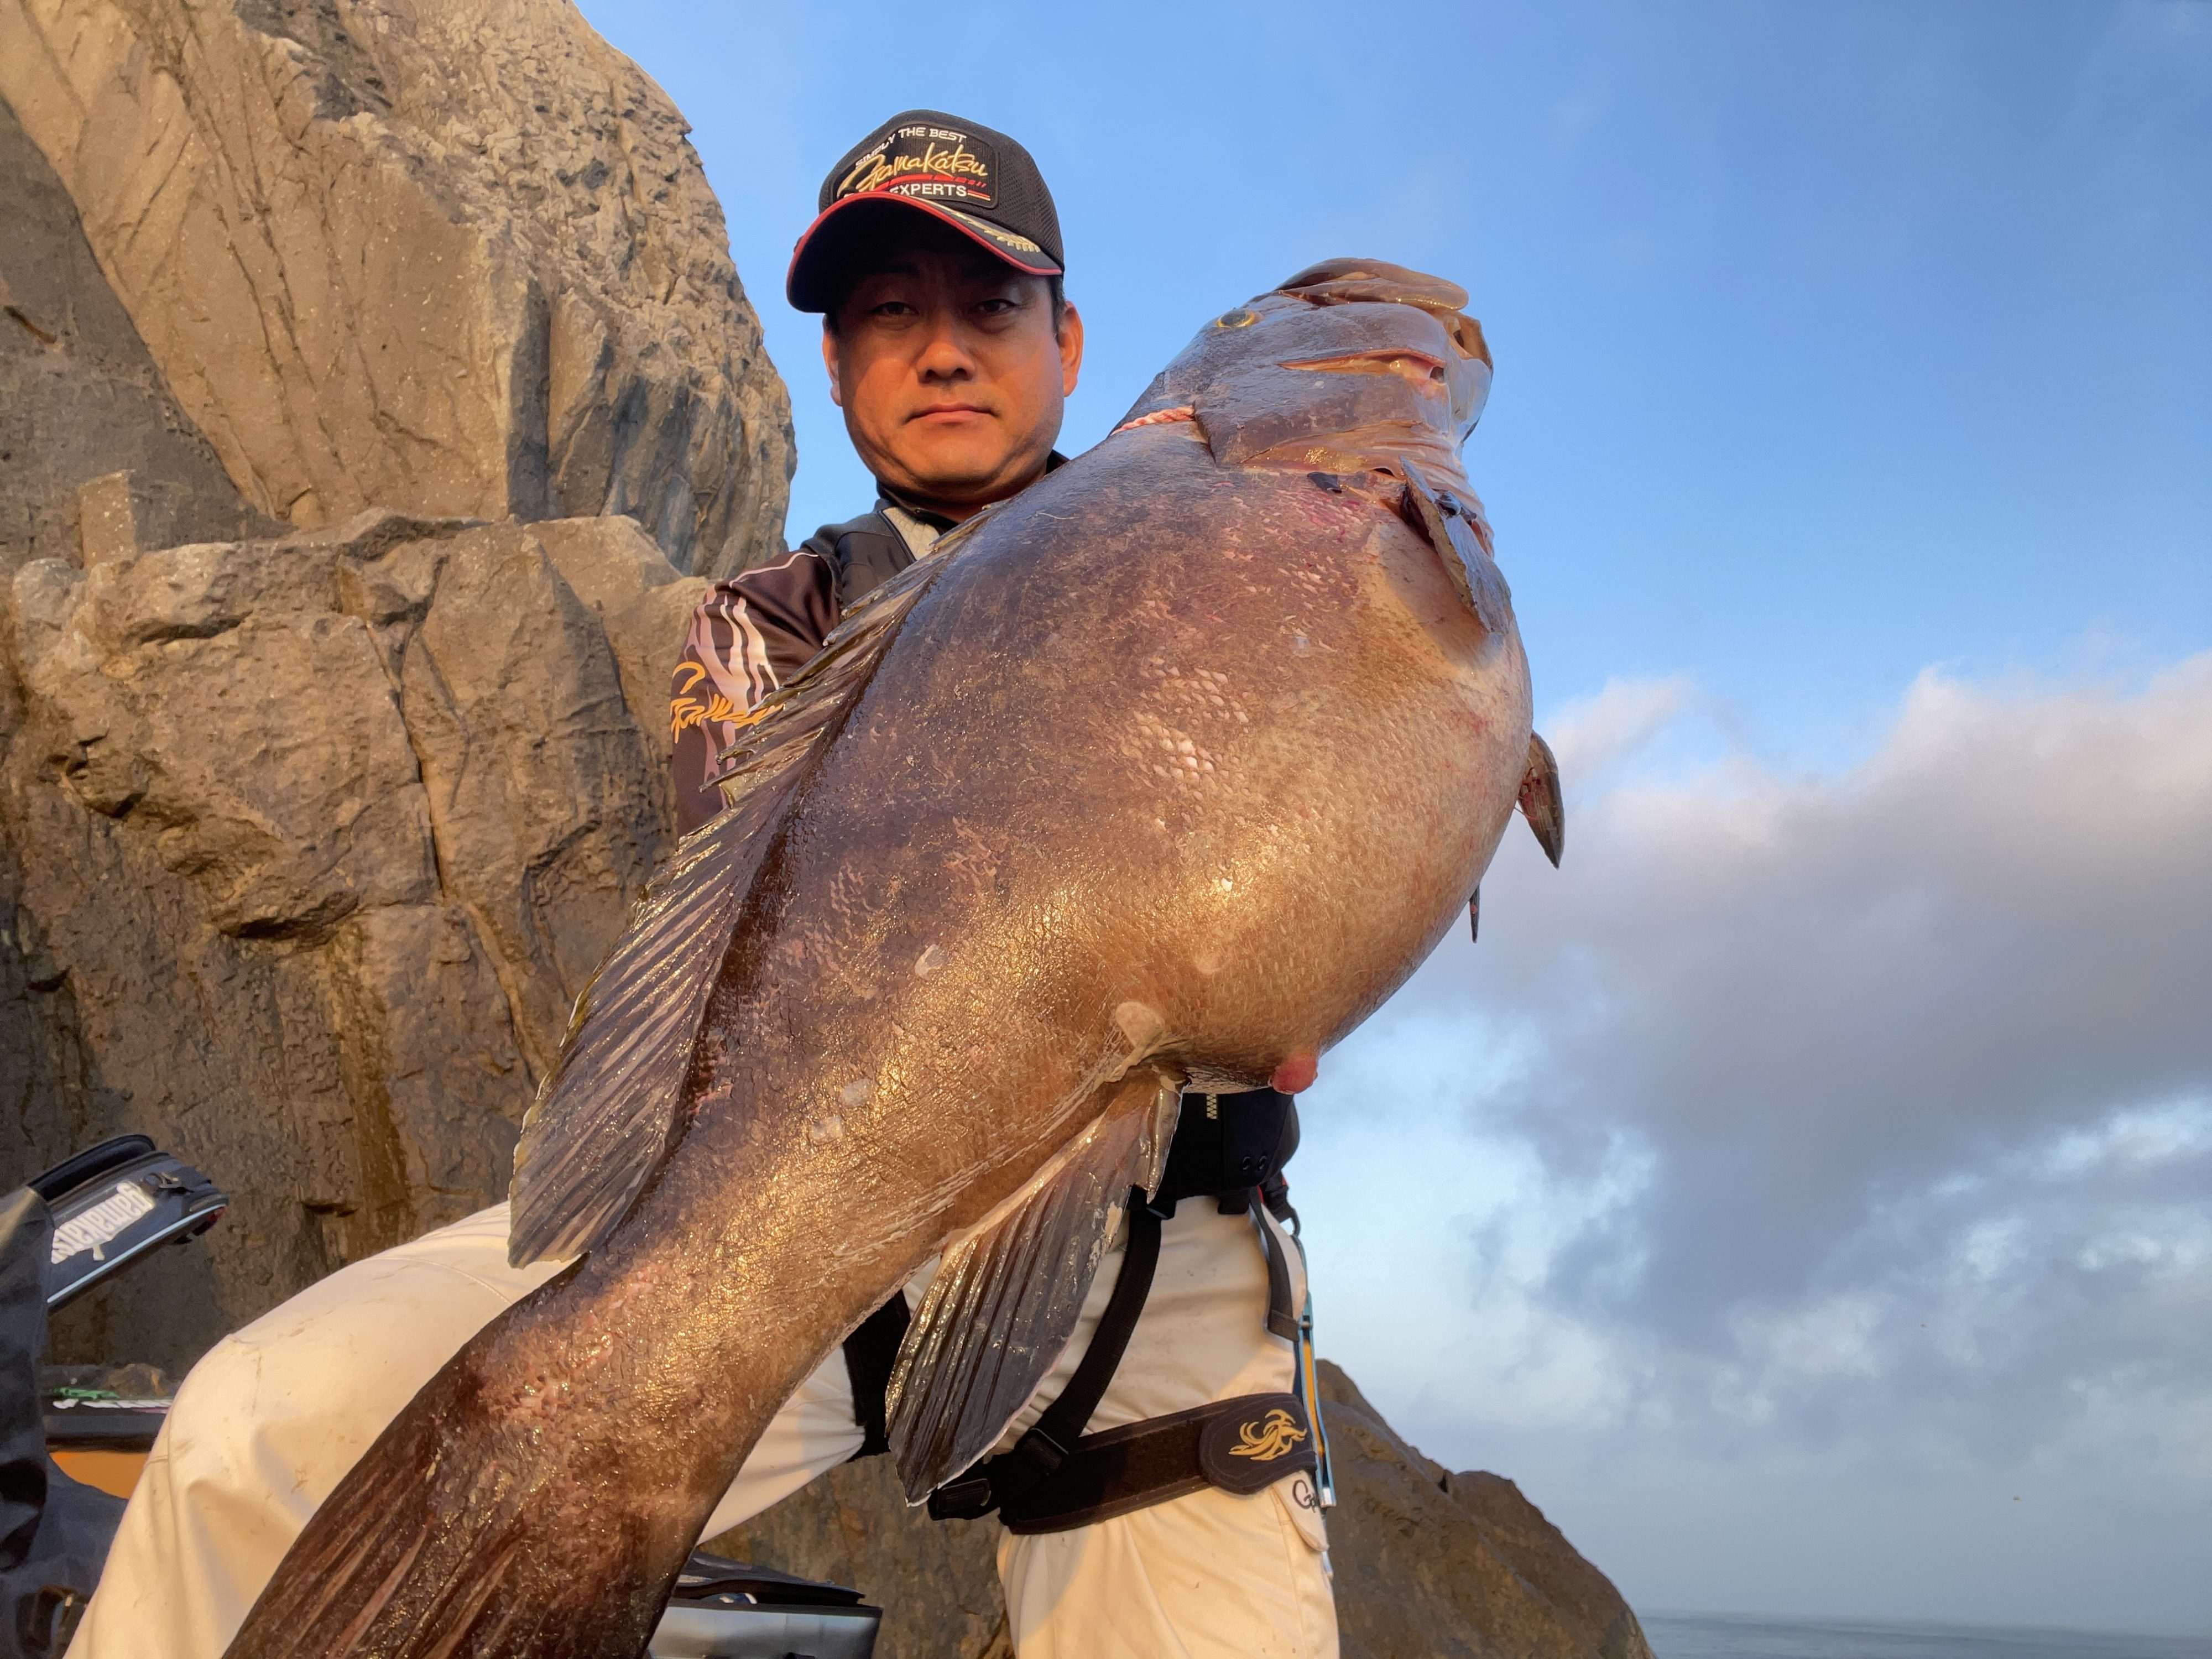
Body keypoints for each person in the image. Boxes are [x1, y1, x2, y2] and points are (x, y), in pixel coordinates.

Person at [69, 111, 1334, 1659]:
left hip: (1165, 1246)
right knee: (247, 1428)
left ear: (1070, 342)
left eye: (990, 307)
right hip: (790, 1224)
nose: (943, 351)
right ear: (836, 369)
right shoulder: (760, 632)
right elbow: (766, 958)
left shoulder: (1220, 570)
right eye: (889, 313)